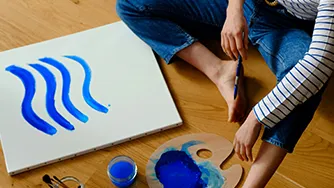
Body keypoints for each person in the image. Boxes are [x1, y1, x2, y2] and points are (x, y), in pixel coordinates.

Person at [116, 0, 333, 187]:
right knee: (131, 4)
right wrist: (234, 10)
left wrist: (257, 117)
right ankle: (219, 71)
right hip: (241, 5)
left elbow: (319, 64)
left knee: (306, 82)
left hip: (287, 27)